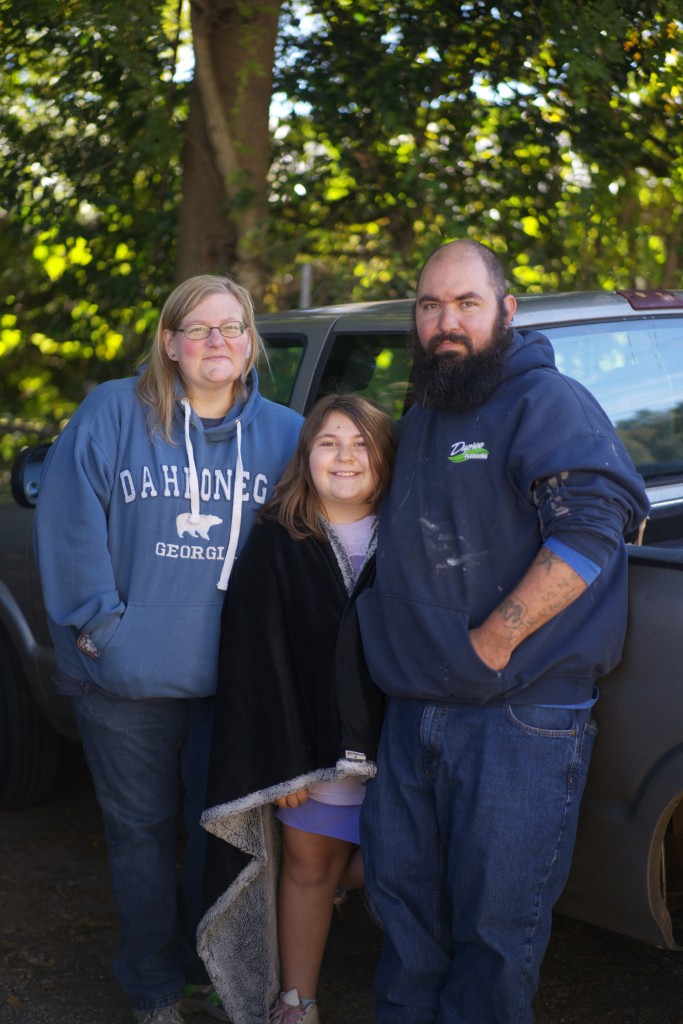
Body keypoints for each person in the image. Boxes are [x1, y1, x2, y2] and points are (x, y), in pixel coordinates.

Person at [356, 240, 651, 1024]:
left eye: (465, 303)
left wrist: (493, 638)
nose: (444, 322)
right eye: (428, 306)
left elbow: (594, 528)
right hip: (414, 710)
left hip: (516, 718)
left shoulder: (543, 402)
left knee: (493, 939)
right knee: (404, 924)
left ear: (506, 311)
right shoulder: (425, 410)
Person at [32, 274, 303, 1024]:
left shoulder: (285, 434)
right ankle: (151, 986)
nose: (218, 342)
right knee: (141, 837)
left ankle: (206, 967)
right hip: (124, 682)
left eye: (233, 328)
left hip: (238, 680)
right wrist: (104, 634)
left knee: (221, 835)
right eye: (200, 328)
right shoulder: (111, 413)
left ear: (250, 343)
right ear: (169, 342)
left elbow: (308, 551)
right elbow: (67, 527)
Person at [197, 393, 396, 1024]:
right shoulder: (278, 537)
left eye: (361, 443)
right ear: (305, 456)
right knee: (309, 868)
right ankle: (297, 999)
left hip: (400, 740)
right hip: (310, 749)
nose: (345, 457)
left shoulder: (409, 529)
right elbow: (256, 658)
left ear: (385, 456)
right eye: (329, 443)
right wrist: (279, 762)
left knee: (404, 854)